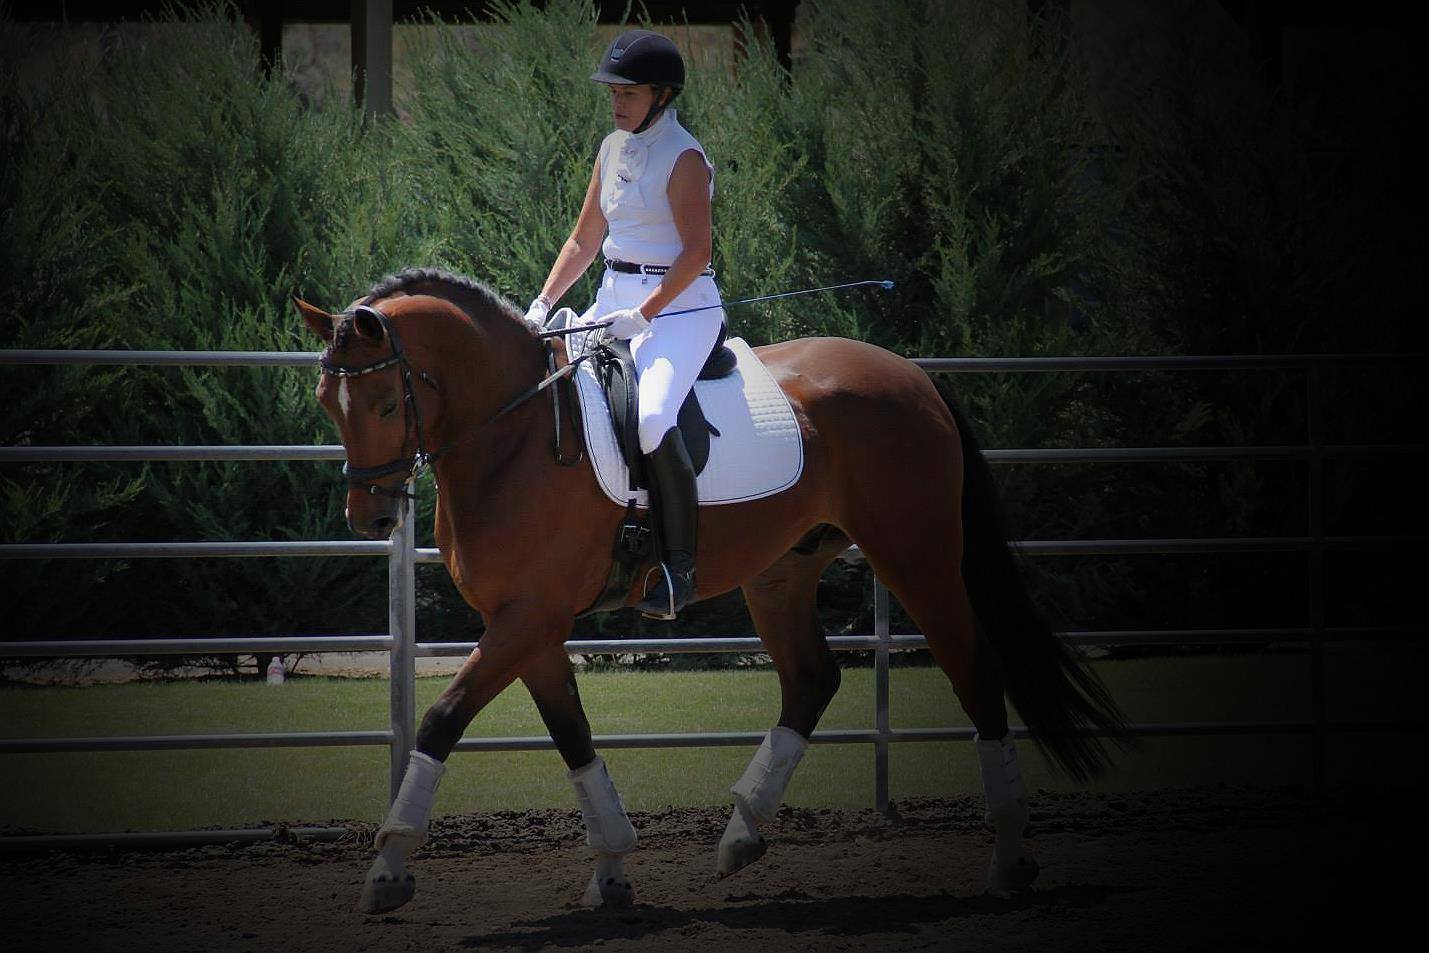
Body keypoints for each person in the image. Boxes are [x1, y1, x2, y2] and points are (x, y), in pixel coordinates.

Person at [523, 29, 723, 621]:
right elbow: (585, 239)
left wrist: (646, 313)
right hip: (612, 297)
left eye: (629, 92)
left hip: (678, 309)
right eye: (613, 91)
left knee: (654, 417)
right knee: (553, 392)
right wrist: (542, 303)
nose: (617, 102)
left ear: (662, 95)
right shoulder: (612, 148)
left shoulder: (684, 157)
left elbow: (697, 255)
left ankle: (678, 570)